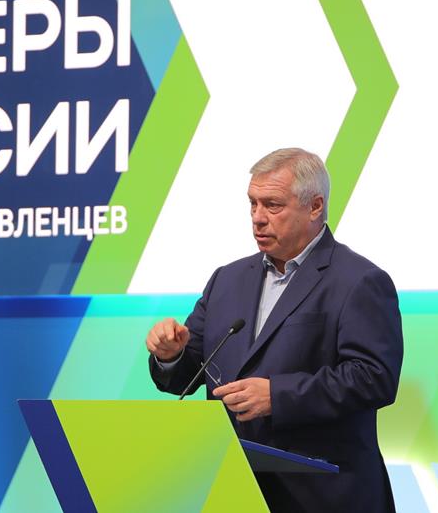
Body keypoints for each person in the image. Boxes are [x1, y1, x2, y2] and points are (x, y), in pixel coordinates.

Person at [145, 148, 403, 512]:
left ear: (315, 207)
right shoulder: (227, 280)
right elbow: (185, 377)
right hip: (235, 491)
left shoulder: (359, 280)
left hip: (322, 497)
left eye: (273, 205)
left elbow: (374, 378)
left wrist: (278, 396)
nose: (258, 218)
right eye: (252, 204)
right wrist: (171, 355)